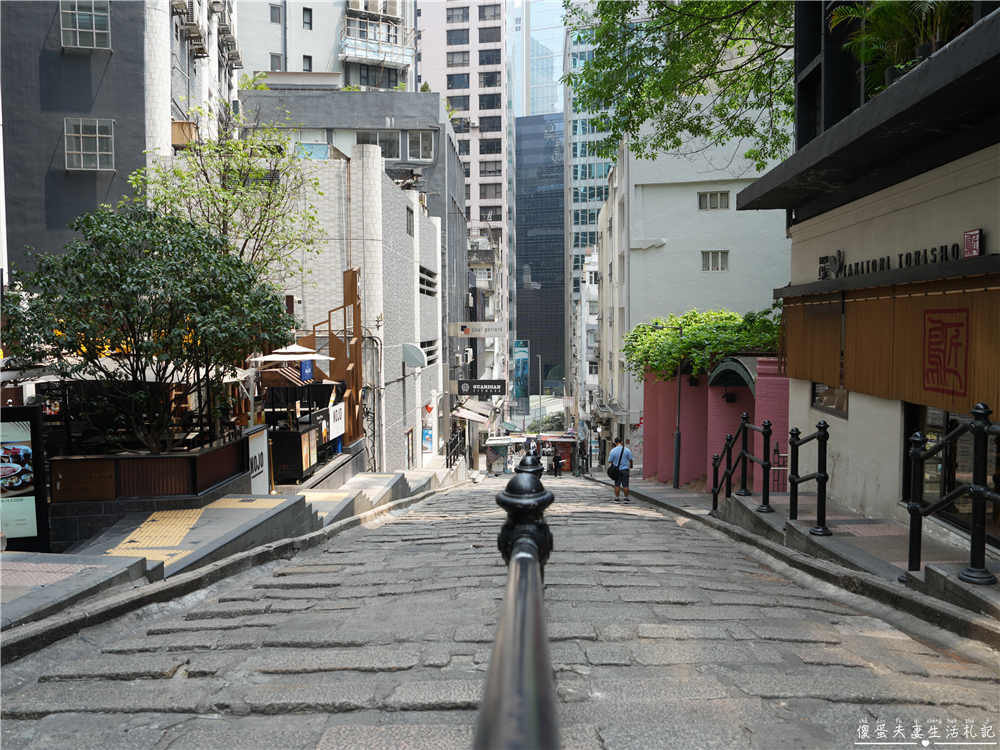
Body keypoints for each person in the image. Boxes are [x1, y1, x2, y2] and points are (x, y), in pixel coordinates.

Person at [608, 437, 634, 503]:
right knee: (625, 485)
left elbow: (610, 461)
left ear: (615, 443)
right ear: (622, 442)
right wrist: (631, 465)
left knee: (617, 484)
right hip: (625, 469)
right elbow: (630, 459)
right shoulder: (627, 450)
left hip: (617, 470)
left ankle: (617, 498)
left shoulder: (613, 451)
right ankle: (626, 498)